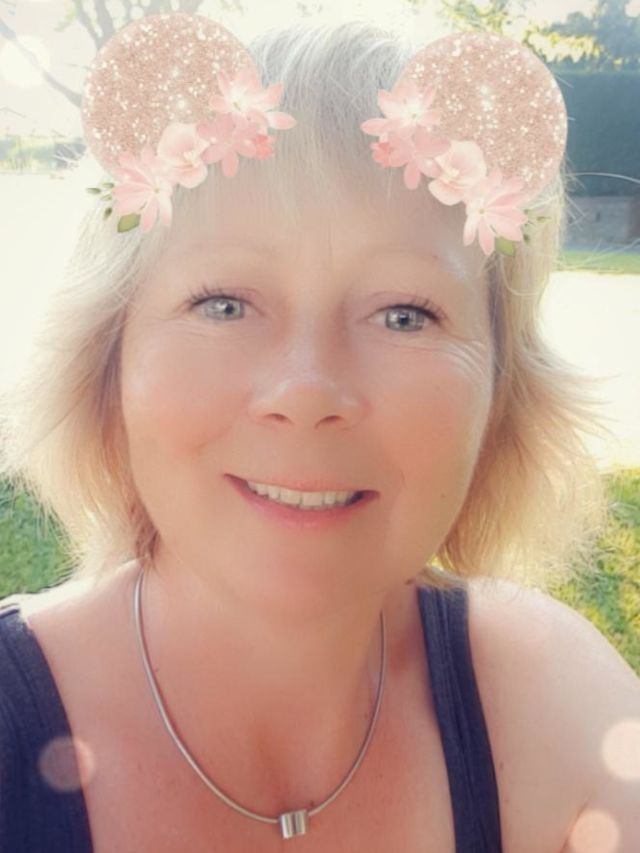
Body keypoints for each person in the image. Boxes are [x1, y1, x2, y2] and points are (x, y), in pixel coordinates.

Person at [1, 14, 639, 853]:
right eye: (224, 303)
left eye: (404, 314)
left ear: (503, 394)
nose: (306, 392)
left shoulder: (553, 700)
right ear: (107, 360)